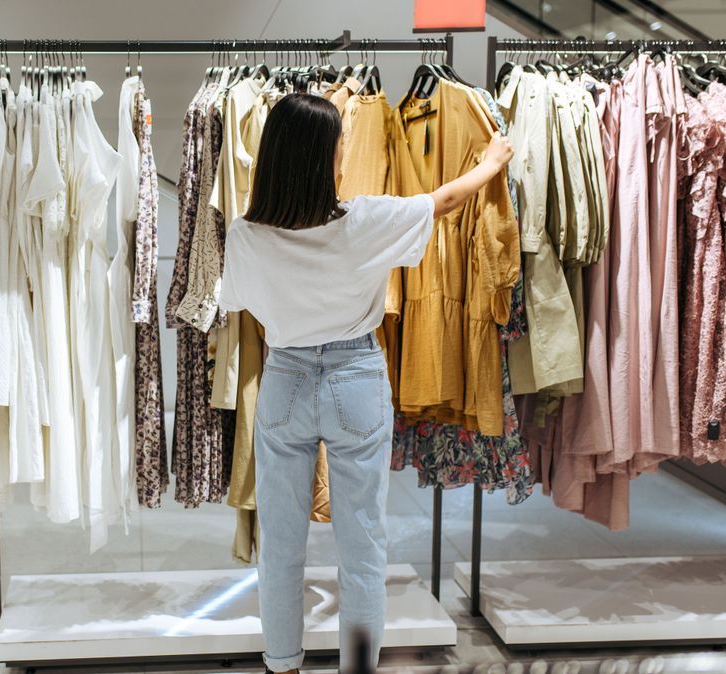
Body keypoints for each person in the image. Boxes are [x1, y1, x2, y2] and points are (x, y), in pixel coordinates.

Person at [218, 93, 514, 674]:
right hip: (355, 375)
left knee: (280, 543)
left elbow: (245, 307)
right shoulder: (366, 219)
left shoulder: (246, 235)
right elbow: (444, 201)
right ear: (326, 158)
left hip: (285, 377)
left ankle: (283, 664)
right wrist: (492, 162)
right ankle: (357, 667)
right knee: (362, 545)